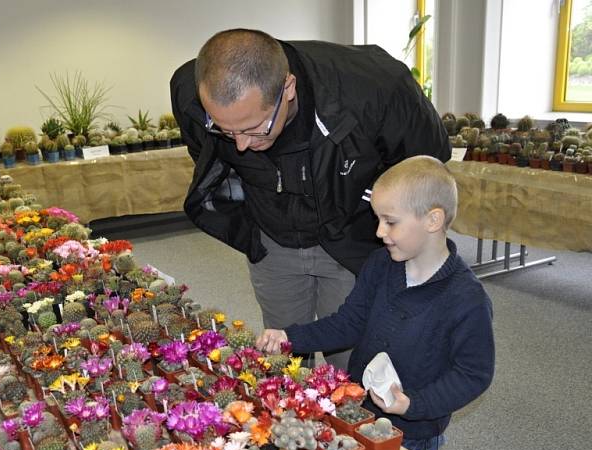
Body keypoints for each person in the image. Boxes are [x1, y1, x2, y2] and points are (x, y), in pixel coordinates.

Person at [171, 29, 451, 370]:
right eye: (227, 131)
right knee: (283, 355)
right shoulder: (190, 91)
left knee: (352, 356)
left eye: (254, 128)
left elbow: (426, 162)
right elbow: (203, 151)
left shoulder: (375, 87)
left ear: (288, 89)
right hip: (273, 238)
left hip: (351, 233)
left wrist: (372, 206)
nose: (241, 144)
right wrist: (253, 227)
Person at [255, 156, 495, 450]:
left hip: (413, 435)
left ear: (433, 220)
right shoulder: (381, 264)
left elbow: (473, 374)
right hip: (357, 412)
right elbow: (348, 323)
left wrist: (413, 404)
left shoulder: (466, 298)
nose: (379, 232)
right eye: (378, 220)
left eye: (390, 221)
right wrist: (290, 336)